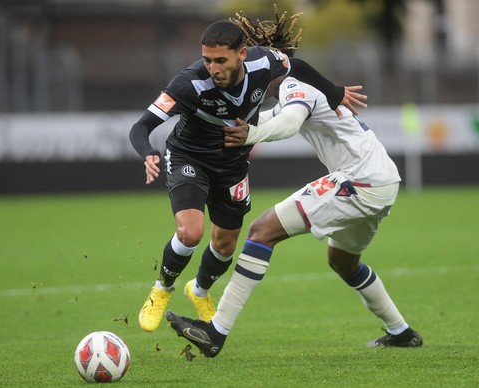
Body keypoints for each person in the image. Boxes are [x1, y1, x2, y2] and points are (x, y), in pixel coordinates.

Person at [165, 11, 423, 357]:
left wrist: (251, 134)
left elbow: (288, 121)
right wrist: (235, 133)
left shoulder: (292, 84)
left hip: (359, 181)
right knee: (343, 261)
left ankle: (216, 332)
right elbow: (268, 117)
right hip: (382, 180)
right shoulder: (295, 88)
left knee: (261, 231)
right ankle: (402, 332)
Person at [129, 16, 367, 333]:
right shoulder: (188, 84)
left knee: (225, 246)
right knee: (190, 232)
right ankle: (162, 288)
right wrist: (148, 152)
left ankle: (198, 290)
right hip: (190, 157)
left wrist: (332, 91)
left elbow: (298, 66)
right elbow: (141, 126)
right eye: (207, 60)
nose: (213, 68)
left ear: (242, 54)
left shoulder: (264, 63)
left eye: (221, 60)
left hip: (233, 165)